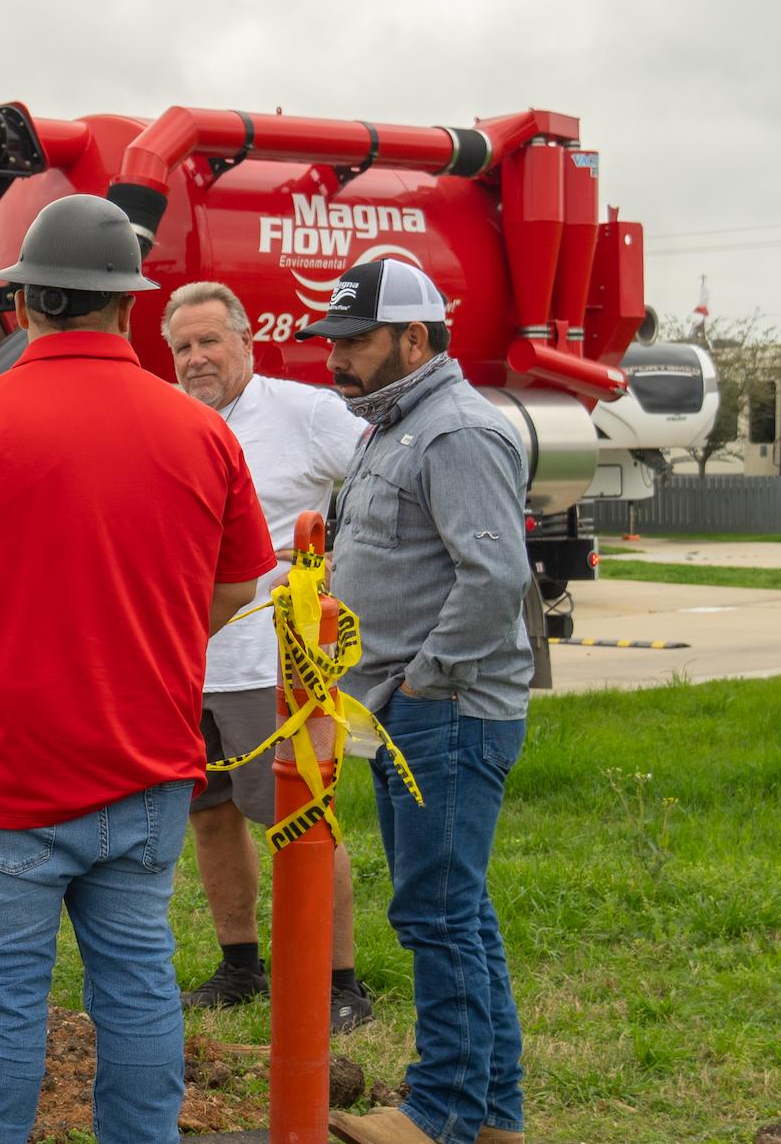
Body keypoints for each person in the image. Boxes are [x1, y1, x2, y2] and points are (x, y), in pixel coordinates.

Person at [0, 195, 276, 1144]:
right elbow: (234, 585)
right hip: (147, 770)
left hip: (5, 775)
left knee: (5, 1007)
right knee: (138, 988)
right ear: (128, 308)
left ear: (24, 304)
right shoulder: (203, 432)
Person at [301, 259, 531, 1144]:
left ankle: (441, 1112)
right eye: (334, 341)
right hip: (409, 713)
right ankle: (494, 1116)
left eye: (355, 341)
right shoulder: (390, 429)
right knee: (457, 908)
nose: (338, 357)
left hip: (447, 711)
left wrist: (421, 682)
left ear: (416, 339)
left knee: (437, 911)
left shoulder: (454, 432)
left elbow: (495, 577)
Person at [162, 281, 375, 1032]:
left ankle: (340, 981)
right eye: (182, 346)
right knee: (210, 818)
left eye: (209, 341)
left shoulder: (304, 412)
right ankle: (240, 965)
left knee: (301, 821)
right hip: (187, 664)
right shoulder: (167, 422)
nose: (195, 359)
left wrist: (344, 567)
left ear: (247, 341)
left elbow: (383, 481)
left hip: (273, 667)